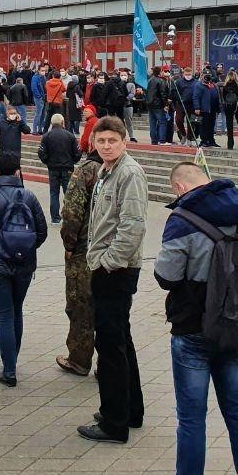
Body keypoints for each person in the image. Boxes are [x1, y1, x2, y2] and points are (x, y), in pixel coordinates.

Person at [155, 162, 238, 475]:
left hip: (192, 330)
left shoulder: (181, 221)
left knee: (191, 418)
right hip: (236, 326)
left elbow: (167, 276)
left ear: (178, 188)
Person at [78, 116, 148, 443]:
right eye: (101, 141)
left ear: (124, 141)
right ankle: (130, 409)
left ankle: (113, 421)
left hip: (115, 271)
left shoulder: (129, 173)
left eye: (112, 141)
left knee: (109, 345)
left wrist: (108, 263)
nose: (106, 146)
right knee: (121, 338)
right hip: (107, 266)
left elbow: (133, 226)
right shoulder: (108, 171)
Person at [0, 150, 47, 387]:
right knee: (17, 310)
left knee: (4, 314)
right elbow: (42, 231)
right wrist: (25, 248)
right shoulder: (29, 196)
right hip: (24, 264)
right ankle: (13, 360)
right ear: (17, 171)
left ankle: (9, 368)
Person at [56, 150, 101, 376]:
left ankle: (79, 360)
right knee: (109, 309)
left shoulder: (86, 170)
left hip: (85, 251)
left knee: (80, 305)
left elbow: (72, 212)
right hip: (115, 253)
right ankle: (108, 364)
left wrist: (69, 244)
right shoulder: (127, 170)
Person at [38, 113, 79, 224]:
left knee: (54, 193)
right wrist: (72, 162)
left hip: (53, 169)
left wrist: (48, 162)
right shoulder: (70, 136)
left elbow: (41, 153)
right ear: (62, 123)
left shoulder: (46, 136)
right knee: (69, 194)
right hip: (68, 168)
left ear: (51, 123)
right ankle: (69, 218)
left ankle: (55, 218)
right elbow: (77, 153)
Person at [220, 72, 238, 150]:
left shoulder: (225, 86)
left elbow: (224, 97)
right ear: (236, 77)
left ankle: (230, 145)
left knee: (229, 126)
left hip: (228, 107)